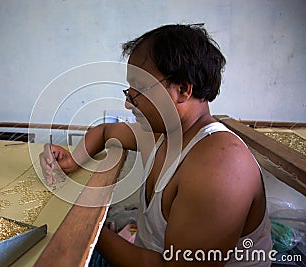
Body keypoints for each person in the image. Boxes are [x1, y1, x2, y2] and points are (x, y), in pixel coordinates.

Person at [40, 24, 272, 266]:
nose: (129, 104)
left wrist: (86, 225)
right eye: (129, 90)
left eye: (139, 89)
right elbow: (106, 131)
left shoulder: (220, 166)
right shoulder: (164, 134)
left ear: (182, 89)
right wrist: (73, 158)